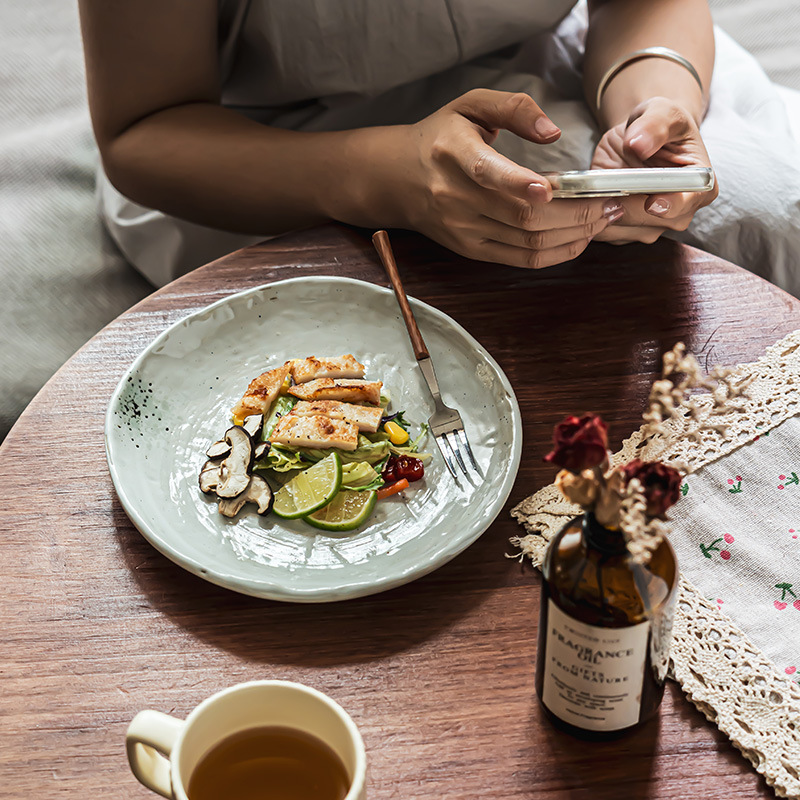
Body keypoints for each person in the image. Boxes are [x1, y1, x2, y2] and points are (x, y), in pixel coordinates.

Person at [78, 0, 800, 293]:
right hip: (271, 142)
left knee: (767, 213)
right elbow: (145, 127)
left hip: (561, 57)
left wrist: (653, 100)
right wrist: (384, 179)